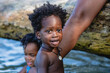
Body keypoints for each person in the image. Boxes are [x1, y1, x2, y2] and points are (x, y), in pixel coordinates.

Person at [28, 0, 107, 73]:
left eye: (59, 30)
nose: (55, 35)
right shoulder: (44, 56)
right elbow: (79, 18)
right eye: (49, 31)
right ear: (38, 34)